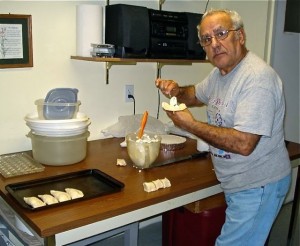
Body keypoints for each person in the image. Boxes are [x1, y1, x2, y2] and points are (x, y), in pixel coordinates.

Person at [155, 9, 291, 246]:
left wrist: (192, 125)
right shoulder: (220, 75)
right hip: (237, 182)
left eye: (221, 33)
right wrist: (177, 92)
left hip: (258, 185)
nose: (215, 43)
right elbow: (195, 94)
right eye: (207, 39)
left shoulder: (257, 79)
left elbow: (244, 143)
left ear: (240, 36)